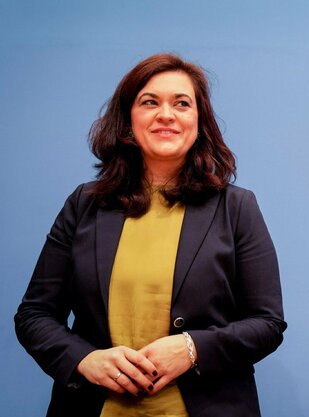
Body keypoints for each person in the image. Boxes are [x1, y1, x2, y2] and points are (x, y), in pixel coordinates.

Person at [15, 53, 286, 417]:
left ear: (199, 122)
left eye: (182, 104)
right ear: (128, 120)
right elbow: (34, 315)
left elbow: (267, 323)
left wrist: (192, 348)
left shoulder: (236, 207)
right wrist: (84, 359)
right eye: (149, 102)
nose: (166, 115)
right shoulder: (84, 204)